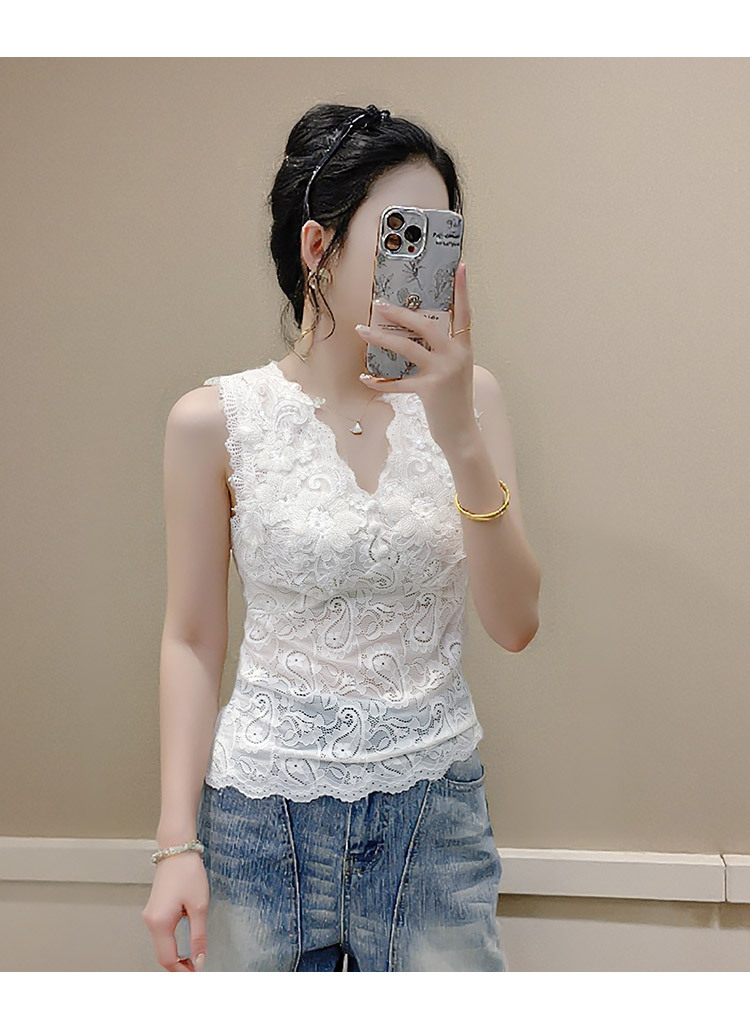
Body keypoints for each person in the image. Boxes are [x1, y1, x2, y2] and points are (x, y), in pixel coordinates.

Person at [142, 102, 541, 972]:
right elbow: (192, 637)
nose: (426, 270)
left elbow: (515, 623)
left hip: (433, 817)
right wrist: (177, 845)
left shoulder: (475, 402)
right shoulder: (214, 421)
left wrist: (459, 436)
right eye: (402, 237)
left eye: (443, 238)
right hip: (260, 819)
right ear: (317, 248)